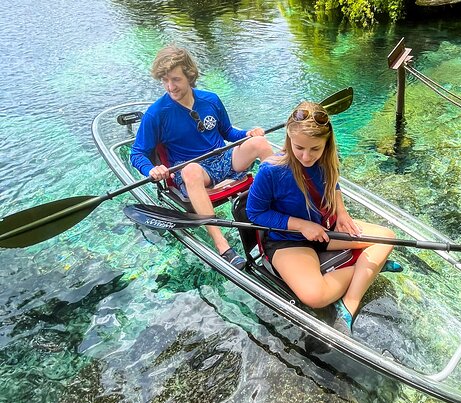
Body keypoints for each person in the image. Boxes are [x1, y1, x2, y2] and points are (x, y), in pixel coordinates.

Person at [246, 101, 397, 335]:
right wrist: (301, 225)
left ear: (326, 144)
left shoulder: (327, 160)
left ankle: (349, 304)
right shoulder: (270, 170)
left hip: (324, 230)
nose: (306, 156)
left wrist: (342, 212)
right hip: (288, 240)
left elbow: (333, 184)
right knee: (315, 297)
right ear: (288, 139)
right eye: (299, 148)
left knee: (388, 238)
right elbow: (255, 212)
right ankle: (367, 270)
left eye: (315, 149)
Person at [130, 45, 273, 269]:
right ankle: (223, 245)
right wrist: (151, 169)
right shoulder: (156, 114)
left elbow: (228, 133)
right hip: (193, 170)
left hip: (223, 159)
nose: (170, 87)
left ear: (189, 75)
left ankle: (279, 207)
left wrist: (247, 134)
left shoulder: (211, 100)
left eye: (175, 79)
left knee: (260, 143)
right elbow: (137, 153)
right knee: (191, 171)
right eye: (164, 80)